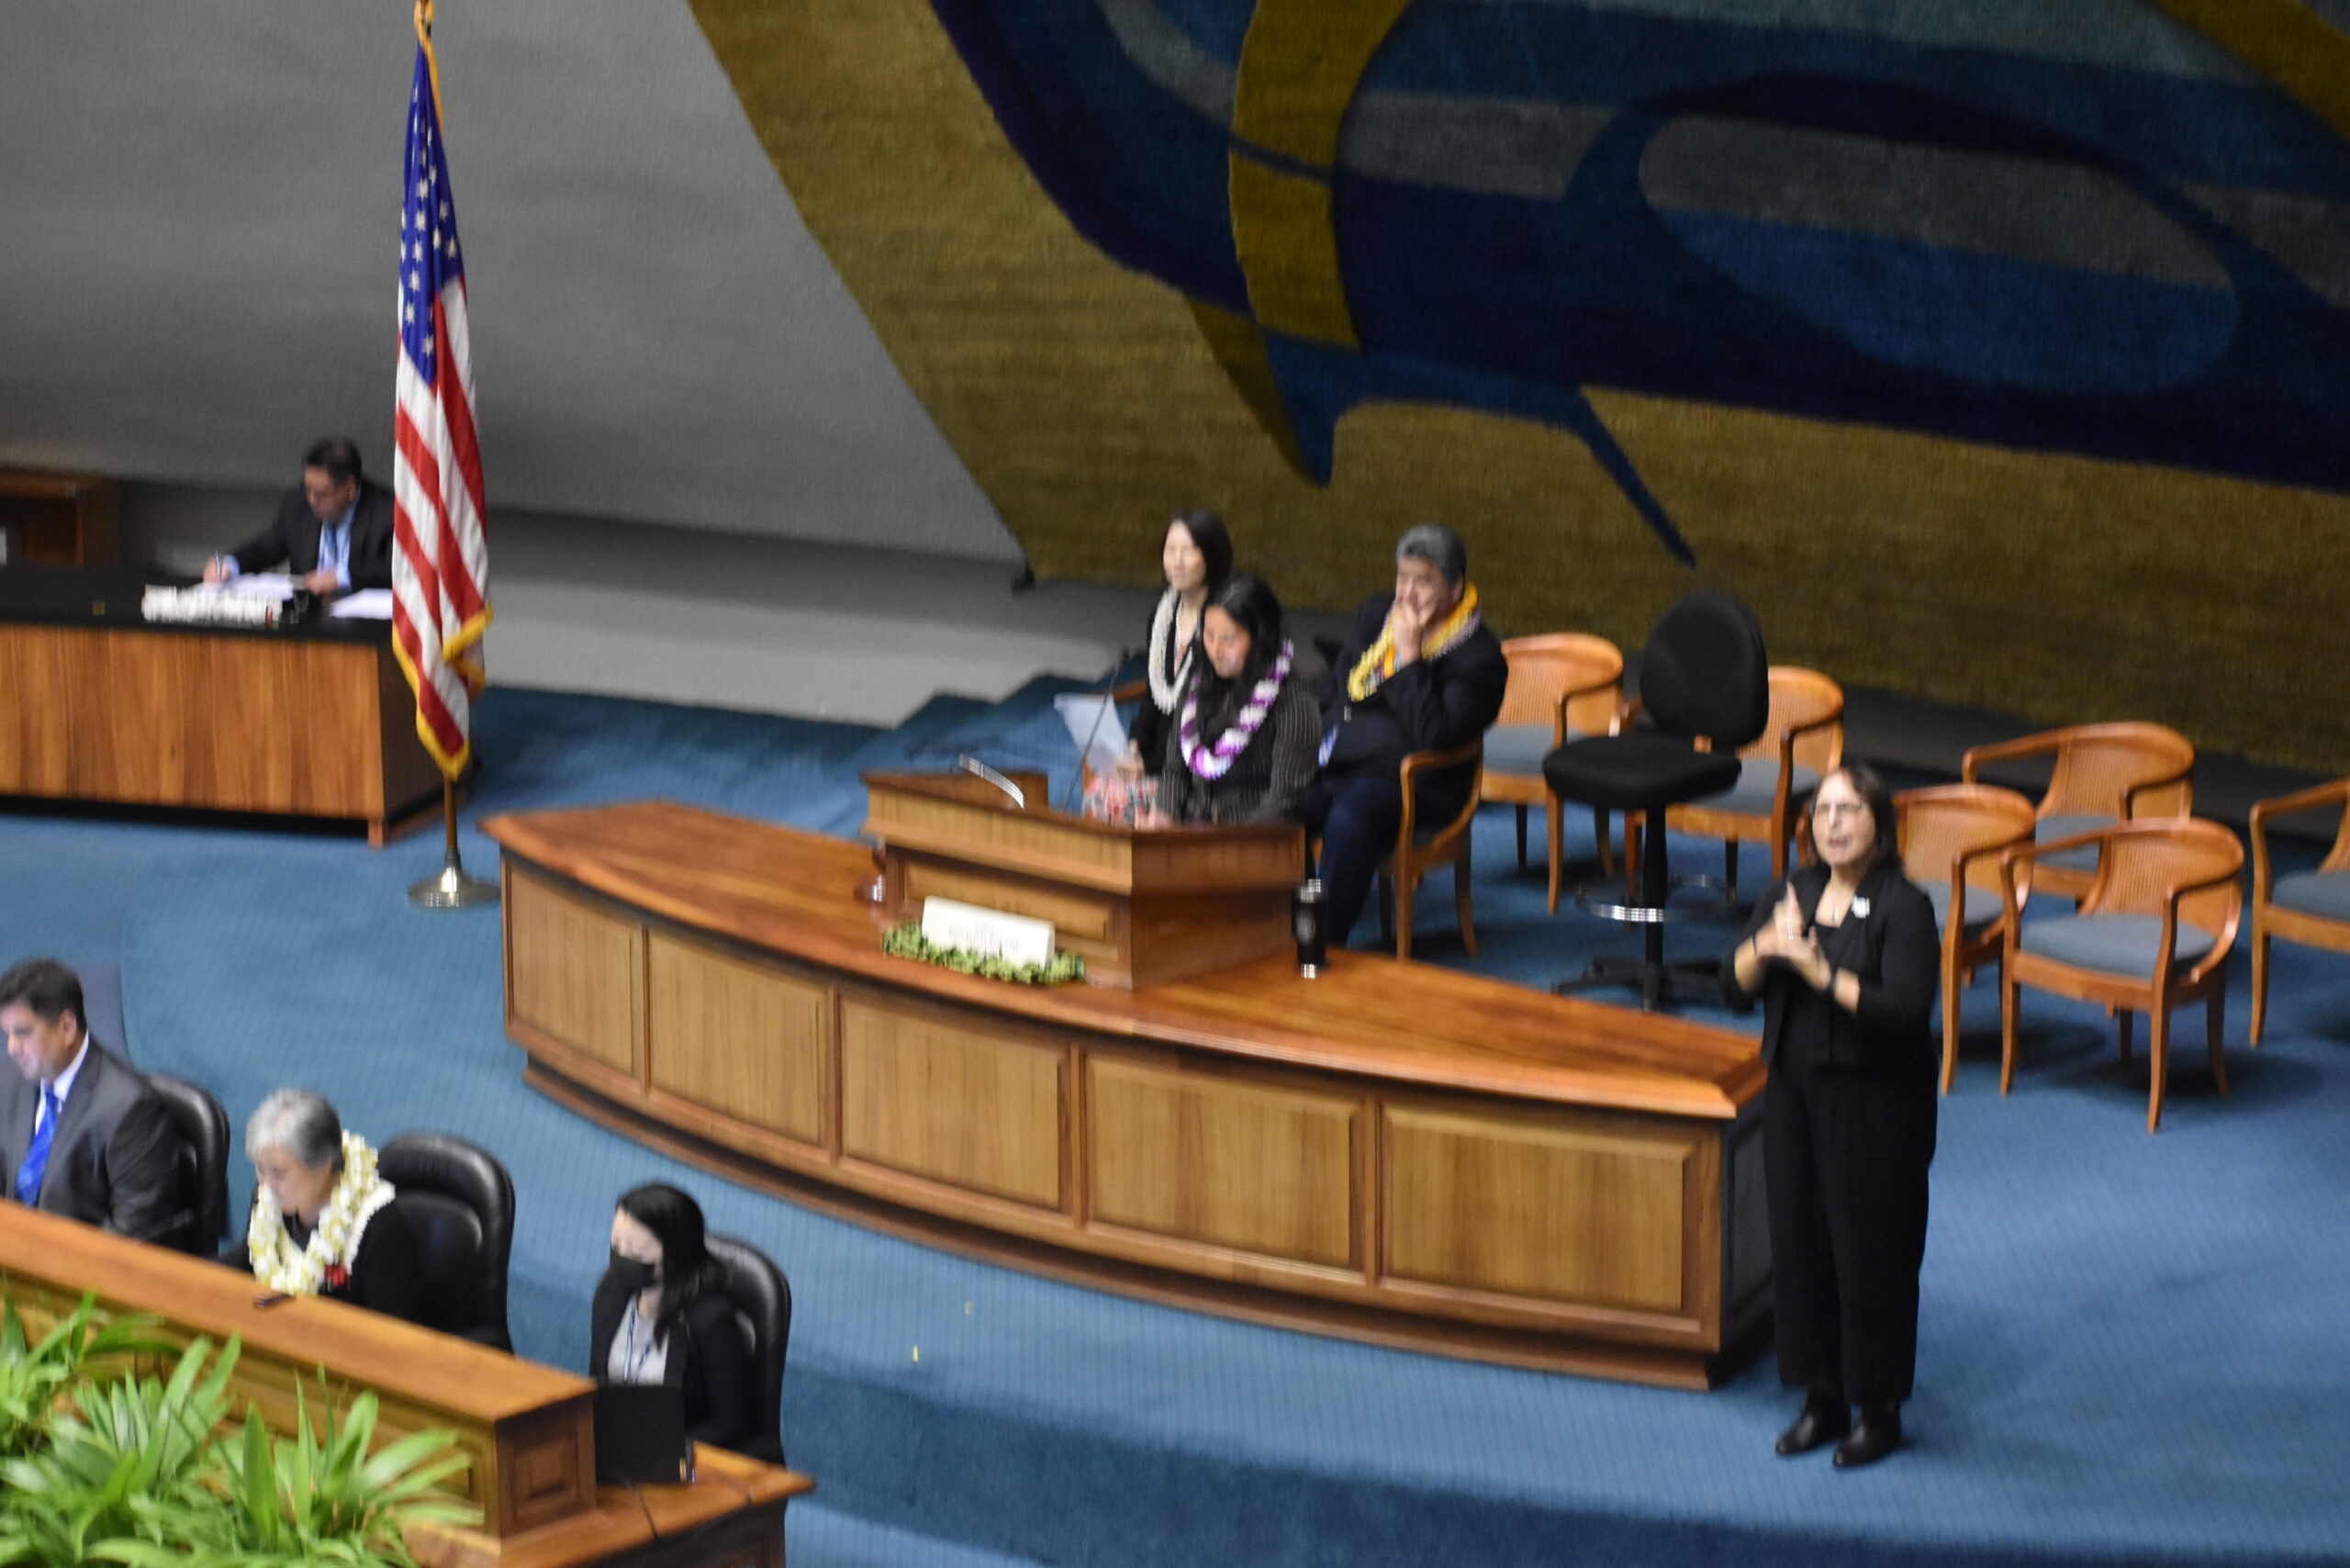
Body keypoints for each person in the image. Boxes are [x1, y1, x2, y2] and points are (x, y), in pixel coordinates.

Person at [1726, 764, 1940, 1469]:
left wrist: (1821, 975)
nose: (1833, 823)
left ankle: (1878, 1409)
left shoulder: (1905, 908)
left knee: (1869, 1255)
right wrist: (1765, 947)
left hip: (1874, 1106)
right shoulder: (1792, 892)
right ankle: (1822, 1399)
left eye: (1849, 810)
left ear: (1881, 824)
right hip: (1793, 1096)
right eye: (1823, 811)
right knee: (1801, 1250)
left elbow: (1904, 1013)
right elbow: (1733, 987)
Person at [1299, 522, 1507, 946]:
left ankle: (1319, 942)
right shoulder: (1376, 614)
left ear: (1455, 588)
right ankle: (1291, 922)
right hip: (1345, 761)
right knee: (1280, 806)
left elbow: (1435, 733)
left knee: (1349, 818)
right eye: (1402, 577)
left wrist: (1410, 658)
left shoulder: (1479, 658)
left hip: (1419, 783)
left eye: (1423, 582)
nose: (1407, 594)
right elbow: (1343, 686)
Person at [0, 958, 178, 1243]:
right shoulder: (9, 1082)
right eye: (6, 1035)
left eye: (23, 1033)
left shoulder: (131, 1108)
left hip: (78, 1264)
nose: (12, 1048)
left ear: (67, 1027)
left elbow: (134, 1235)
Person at [237, 1088, 423, 1323]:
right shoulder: (268, 1197)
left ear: (323, 1166)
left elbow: (393, 1331)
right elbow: (248, 1262)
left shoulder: (380, 1228)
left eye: (279, 1173)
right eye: (260, 1168)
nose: (266, 1183)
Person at [592, 1182, 755, 1451]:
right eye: (616, 1244)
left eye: (636, 1252)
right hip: (617, 1446)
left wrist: (663, 1450)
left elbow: (731, 1425)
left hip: (678, 1454)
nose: (621, 1258)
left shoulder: (711, 1321)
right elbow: (597, 1384)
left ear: (675, 1253)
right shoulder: (611, 1291)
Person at [1151, 575, 1318, 825]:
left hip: (1254, 835)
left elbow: (1283, 802)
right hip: (1191, 828)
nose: (1216, 651)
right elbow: (1175, 771)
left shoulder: (1294, 700)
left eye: (1228, 639)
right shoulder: (1196, 685)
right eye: (1209, 635)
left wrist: (1224, 841)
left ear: (1259, 638)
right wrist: (1165, 816)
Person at [204, 437, 396, 595]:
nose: (312, 500)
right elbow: (266, 548)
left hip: (364, 622)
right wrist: (230, 564)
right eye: (308, 488)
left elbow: (394, 570)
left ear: (349, 489)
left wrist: (342, 578)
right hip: (309, 617)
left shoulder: (387, 511)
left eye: (321, 493)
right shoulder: (298, 504)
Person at [1122, 509, 1234, 777]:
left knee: (1114, 797)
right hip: (1157, 755)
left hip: (1201, 762)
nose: (1177, 561)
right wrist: (1137, 741)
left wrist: (1151, 766)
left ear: (1211, 555)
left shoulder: (1225, 621)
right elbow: (1155, 689)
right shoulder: (1162, 615)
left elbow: (1214, 717)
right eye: (1170, 550)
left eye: (1189, 551)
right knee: (1103, 785)